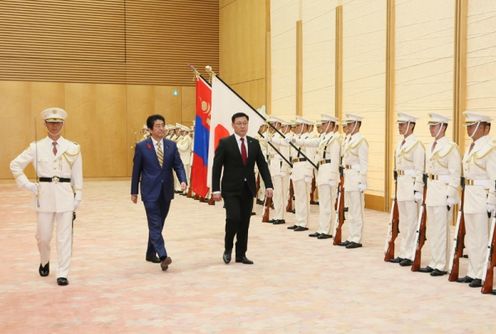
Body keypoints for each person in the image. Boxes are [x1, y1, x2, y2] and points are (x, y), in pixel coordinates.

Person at [10, 107, 83, 286]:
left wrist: (78, 195)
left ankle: (63, 272)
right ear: (45, 124)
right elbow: (15, 165)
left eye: (58, 122)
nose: (54, 125)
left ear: (63, 124)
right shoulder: (36, 146)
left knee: (64, 236)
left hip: (65, 195)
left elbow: (77, 174)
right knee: (43, 237)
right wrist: (27, 185)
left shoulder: (72, 147)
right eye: (51, 122)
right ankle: (44, 260)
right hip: (44, 196)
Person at [211, 112, 273, 265]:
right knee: (233, 218)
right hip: (230, 189)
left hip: (248, 188)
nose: (242, 126)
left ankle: (241, 254)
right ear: (233, 125)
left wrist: (269, 184)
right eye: (239, 123)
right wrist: (215, 189)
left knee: (245, 221)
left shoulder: (253, 143)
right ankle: (227, 248)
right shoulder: (225, 143)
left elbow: (262, 165)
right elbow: (217, 167)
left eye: (245, 123)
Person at [131, 114, 187, 271]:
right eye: (158, 126)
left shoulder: (171, 145)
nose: (161, 128)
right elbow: (136, 171)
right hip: (149, 191)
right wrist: (134, 191)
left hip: (166, 190)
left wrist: (183, 180)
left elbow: (179, 165)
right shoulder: (142, 146)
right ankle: (163, 255)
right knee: (155, 223)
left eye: (163, 125)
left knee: (159, 223)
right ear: (150, 129)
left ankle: (150, 253)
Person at [418, 113, 461, 276]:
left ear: (443, 127)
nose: (431, 128)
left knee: (442, 229)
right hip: (432, 190)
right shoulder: (430, 146)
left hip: (443, 191)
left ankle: (441, 265)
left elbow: (455, 172)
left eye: (434, 126)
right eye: (430, 126)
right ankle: (434, 261)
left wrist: (451, 194)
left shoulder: (451, 147)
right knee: (432, 229)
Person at [457, 111, 496, 288]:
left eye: (472, 126)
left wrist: (492, 200)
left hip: (482, 195)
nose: (469, 129)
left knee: (481, 236)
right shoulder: (471, 146)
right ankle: (473, 271)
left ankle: (481, 273)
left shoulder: (490, 148)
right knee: (471, 236)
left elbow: (494, 177)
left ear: (483, 127)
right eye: (468, 126)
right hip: (470, 194)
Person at [389, 113, 425, 264]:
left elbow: (419, 169)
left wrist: (418, 189)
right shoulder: (400, 144)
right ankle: (403, 252)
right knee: (403, 221)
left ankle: (410, 254)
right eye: (399, 124)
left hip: (410, 186)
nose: (400, 127)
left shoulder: (417, 145)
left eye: (402, 125)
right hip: (402, 184)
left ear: (411, 125)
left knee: (411, 221)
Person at [307, 114, 341, 239]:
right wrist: (294, 141)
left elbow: (336, 159)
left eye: (325, 123)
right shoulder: (324, 137)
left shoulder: (335, 139)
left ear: (331, 125)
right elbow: (310, 143)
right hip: (322, 171)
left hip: (329, 172)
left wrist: (333, 176)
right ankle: (322, 228)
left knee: (328, 203)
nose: (322, 126)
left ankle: (327, 230)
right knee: (323, 203)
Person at [339, 114, 368, 248]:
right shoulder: (349, 139)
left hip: (356, 177)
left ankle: (357, 238)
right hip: (349, 175)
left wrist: (363, 181)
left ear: (357, 124)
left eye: (350, 124)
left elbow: (364, 163)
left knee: (357, 209)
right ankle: (351, 236)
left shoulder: (361, 140)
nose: (348, 127)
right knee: (350, 209)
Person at [286, 117, 315, 232]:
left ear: (304, 126)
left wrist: (309, 172)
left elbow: (311, 156)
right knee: (297, 197)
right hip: (296, 168)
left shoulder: (310, 138)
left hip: (304, 168)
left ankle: (304, 223)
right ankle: (298, 221)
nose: (296, 128)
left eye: (298, 126)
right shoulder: (296, 138)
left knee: (303, 197)